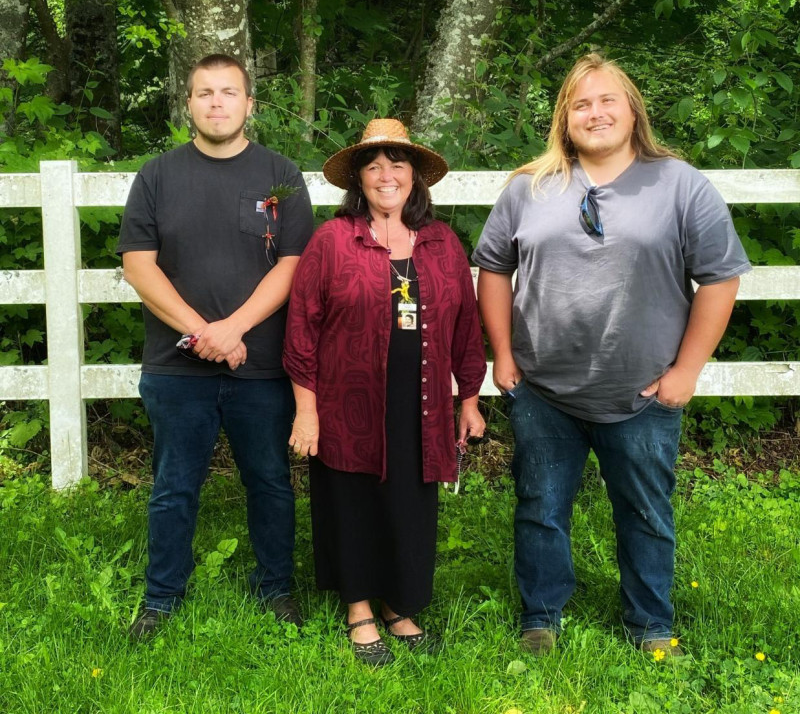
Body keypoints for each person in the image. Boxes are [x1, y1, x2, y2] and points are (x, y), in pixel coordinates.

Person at [473, 53, 751, 656]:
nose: (595, 113)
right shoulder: (529, 187)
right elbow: (493, 267)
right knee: (540, 508)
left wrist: (686, 371)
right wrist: (503, 354)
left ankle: (651, 624)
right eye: (581, 104)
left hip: (642, 391)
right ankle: (541, 615)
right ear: (564, 118)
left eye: (607, 101)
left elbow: (721, 277)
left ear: (632, 111)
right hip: (543, 390)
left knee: (645, 511)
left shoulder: (680, 184)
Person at [117, 54, 314, 638]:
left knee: (270, 482)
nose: (217, 103)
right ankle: (161, 597)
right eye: (204, 93)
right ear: (188, 104)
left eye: (229, 92)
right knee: (173, 487)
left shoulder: (281, 174)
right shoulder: (157, 175)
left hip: (262, 366)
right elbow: (138, 266)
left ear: (249, 104)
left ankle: (275, 587)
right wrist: (203, 334)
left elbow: (293, 265)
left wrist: (234, 330)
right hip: (176, 367)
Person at [283, 118, 486, 666]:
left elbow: (466, 327)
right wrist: (306, 412)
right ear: (359, 179)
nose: (385, 175)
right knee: (351, 500)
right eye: (373, 166)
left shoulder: (442, 244)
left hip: (421, 402)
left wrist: (469, 399)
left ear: (415, 176)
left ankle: (398, 604)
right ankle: (359, 609)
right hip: (345, 402)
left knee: (408, 501)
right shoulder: (332, 241)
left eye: (397, 164)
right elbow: (301, 328)